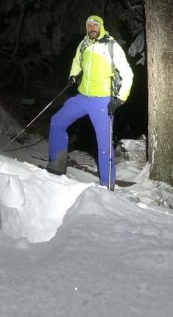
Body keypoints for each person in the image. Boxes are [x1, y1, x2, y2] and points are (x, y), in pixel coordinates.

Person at [47, 15, 133, 189]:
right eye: (89, 25)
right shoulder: (84, 44)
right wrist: (73, 75)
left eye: (95, 25)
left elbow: (128, 74)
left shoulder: (111, 46)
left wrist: (120, 98)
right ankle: (56, 166)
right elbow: (77, 61)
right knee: (57, 122)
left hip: (102, 101)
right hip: (82, 97)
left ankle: (107, 185)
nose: (92, 28)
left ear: (101, 26)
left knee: (104, 144)